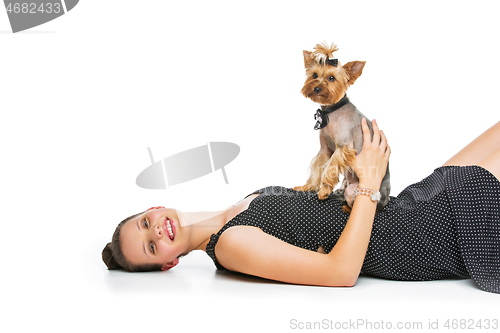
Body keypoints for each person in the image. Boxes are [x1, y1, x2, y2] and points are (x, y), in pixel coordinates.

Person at [102, 119, 500, 294]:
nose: (155, 232)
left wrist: (342, 159)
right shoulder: (228, 244)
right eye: (152, 248)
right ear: (169, 263)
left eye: (143, 224)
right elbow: (340, 272)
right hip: (426, 234)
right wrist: (369, 183)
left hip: (412, 204)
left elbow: (315, 212)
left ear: (153, 208)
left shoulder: (238, 205)